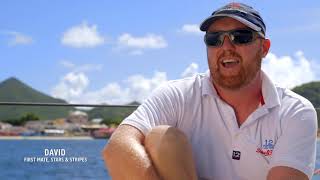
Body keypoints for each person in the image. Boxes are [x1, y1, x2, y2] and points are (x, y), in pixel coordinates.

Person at [102, 2, 317, 180]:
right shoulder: (178, 95)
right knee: (162, 138)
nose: (226, 47)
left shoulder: (295, 112)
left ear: (264, 48)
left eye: (240, 37)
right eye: (214, 39)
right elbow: (118, 147)